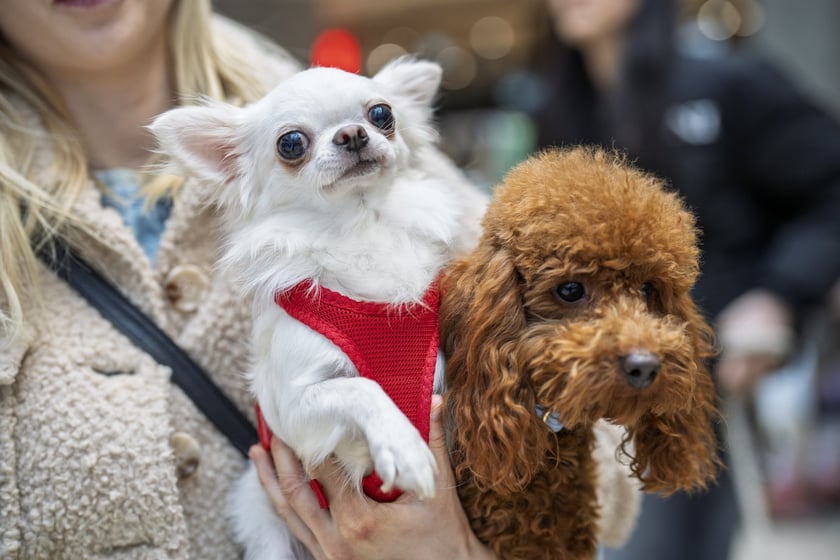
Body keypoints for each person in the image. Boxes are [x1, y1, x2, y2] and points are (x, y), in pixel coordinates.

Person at [0, 1, 642, 558]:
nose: (357, 139)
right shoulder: (252, 172)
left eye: (379, 120)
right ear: (237, 162)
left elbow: (593, 423)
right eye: (294, 146)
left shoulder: (428, 210)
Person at [536, 0, 840, 558]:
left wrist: (777, 295)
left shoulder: (728, 81)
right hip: (592, 387)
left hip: (703, 375)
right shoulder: (563, 109)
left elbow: (830, 190)